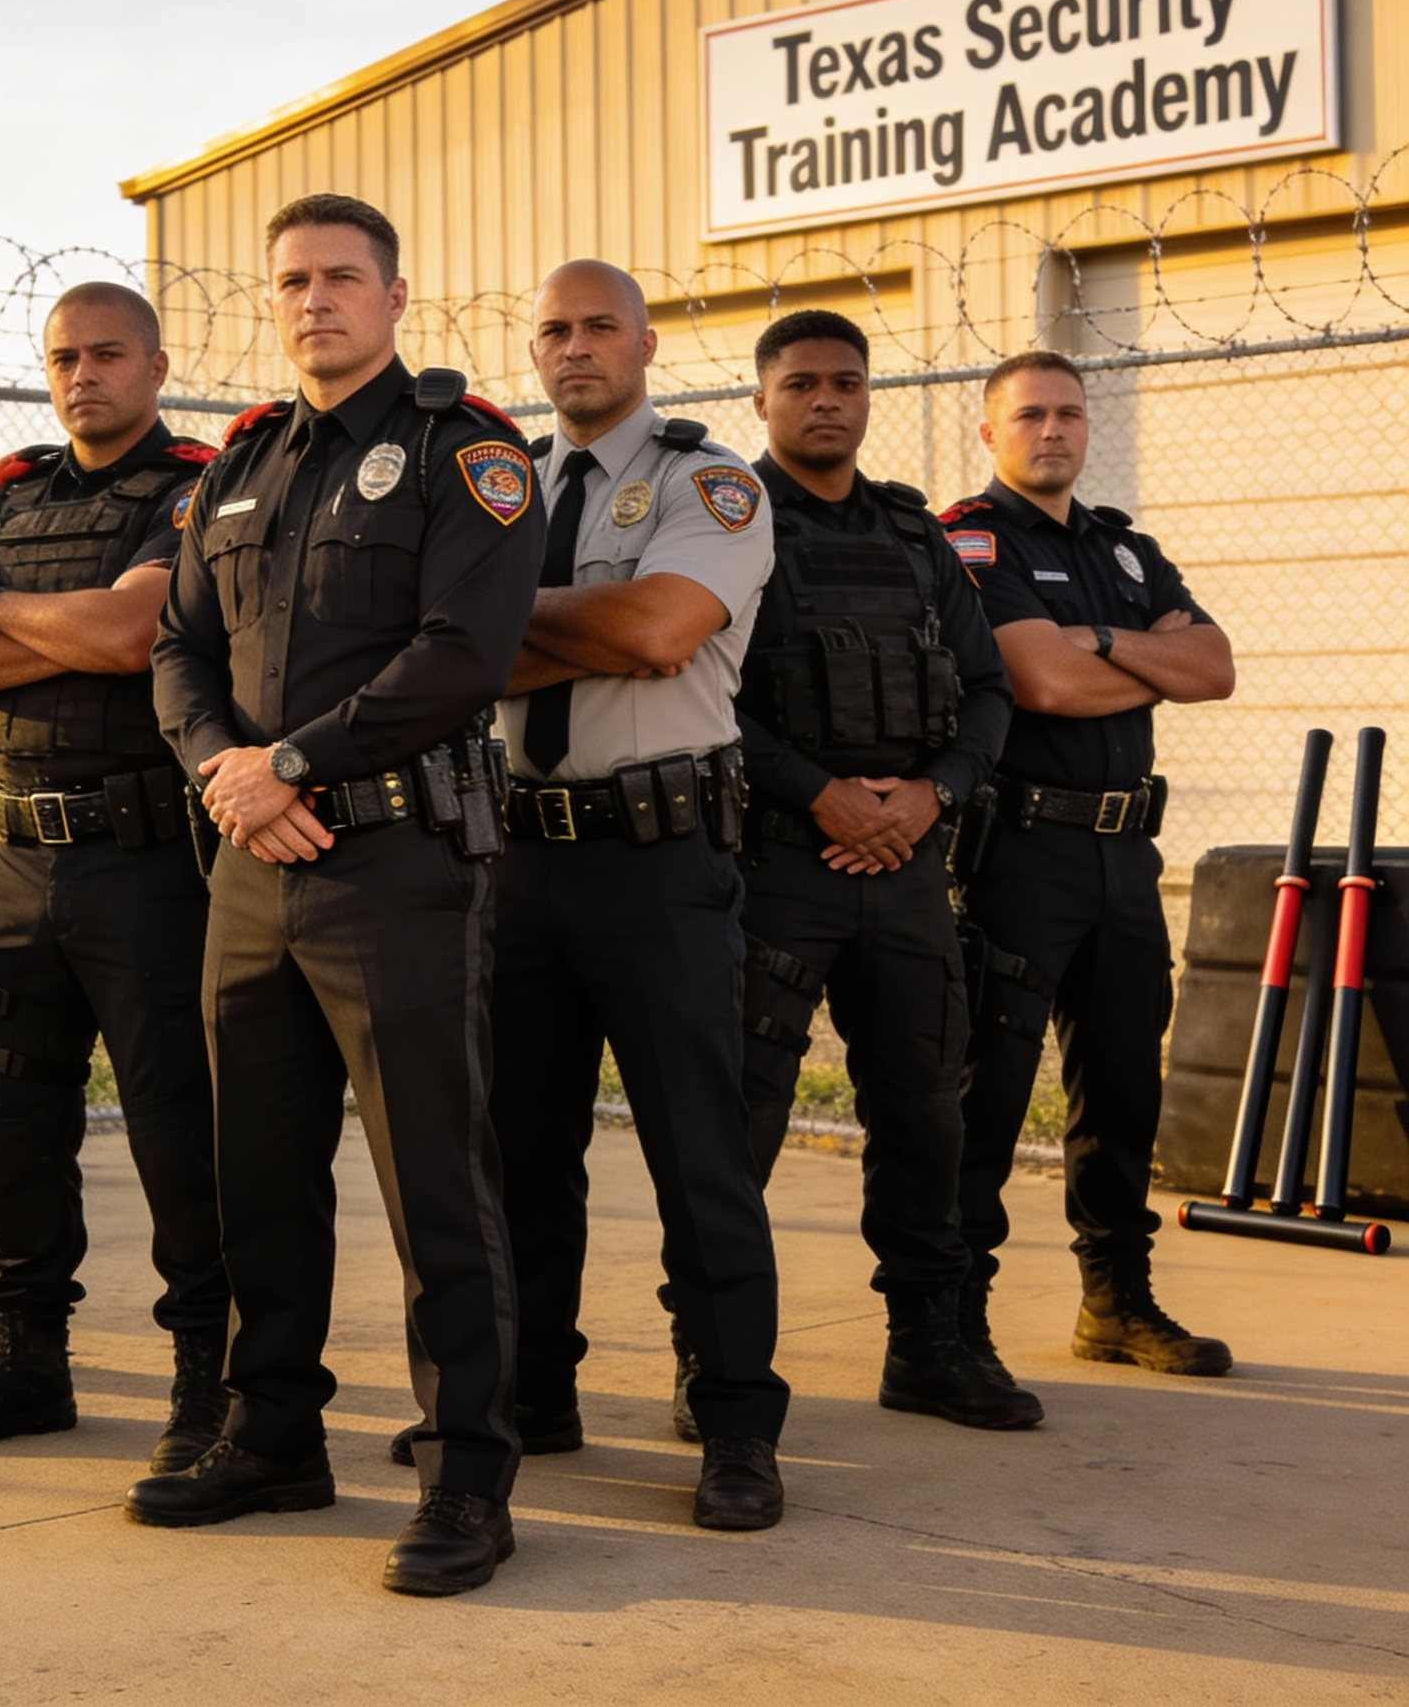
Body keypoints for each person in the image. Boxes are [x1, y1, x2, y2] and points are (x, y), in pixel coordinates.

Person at [135, 192, 542, 1598]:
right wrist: (222, 774)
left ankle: (468, 1478)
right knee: (257, 1172)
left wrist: (291, 761)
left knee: (435, 1178)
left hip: (397, 869)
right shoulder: (241, 463)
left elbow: (465, 653)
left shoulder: (461, 450)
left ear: (394, 295)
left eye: (342, 279)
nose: (316, 301)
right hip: (252, 864)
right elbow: (177, 646)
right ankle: (272, 1437)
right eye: (294, 282)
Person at [465, 257, 791, 1530]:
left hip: (658, 860)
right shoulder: (502, 490)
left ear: (644, 341)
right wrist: (555, 618)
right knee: (516, 1151)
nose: (575, 346)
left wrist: (494, 621)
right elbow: (442, 640)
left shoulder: (710, 482)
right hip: (513, 857)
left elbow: (658, 629)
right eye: (552, 328)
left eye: (600, 325)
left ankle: (734, 1428)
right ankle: (531, 1393)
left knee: (697, 1155)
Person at [0, 281, 229, 1471]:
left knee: (179, 1135)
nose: (81, 375)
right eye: (61, 358)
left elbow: (129, 637)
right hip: (7, 858)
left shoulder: (198, 481)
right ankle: (23, 1361)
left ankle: (210, 1381)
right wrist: (32, 615)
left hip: (146, 861)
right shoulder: (5, 487)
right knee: (9, 1126)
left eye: (104, 355)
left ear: (152, 363)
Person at [733, 309, 1039, 1430]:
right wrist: (816, 791)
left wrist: (929, 795)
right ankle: (712, 1355)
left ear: (867, 397)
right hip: (778, 857)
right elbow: (702, 693)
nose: (827, 399)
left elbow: (988, 686)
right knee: (741, 1121)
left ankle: (930, 1344)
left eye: (846, 382)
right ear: (760, 399)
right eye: (802, 382)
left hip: (906, 857)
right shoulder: (730, 520)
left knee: (923, 1115)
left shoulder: (917, 537)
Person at [940, 349, 1235, 1377]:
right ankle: (953, 1314)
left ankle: (1114, 1301)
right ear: (990, 432)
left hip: (1123, 856)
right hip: (1020, 852)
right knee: (989, 1090)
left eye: (1067, 412)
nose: (1051, 429)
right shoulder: (970, 539)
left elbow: (1213, 668)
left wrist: (1094, 639)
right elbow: (1040, 684)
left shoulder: (1123, 548)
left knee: (1119, 1088)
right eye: (1028, 415)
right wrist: (1129, 655)